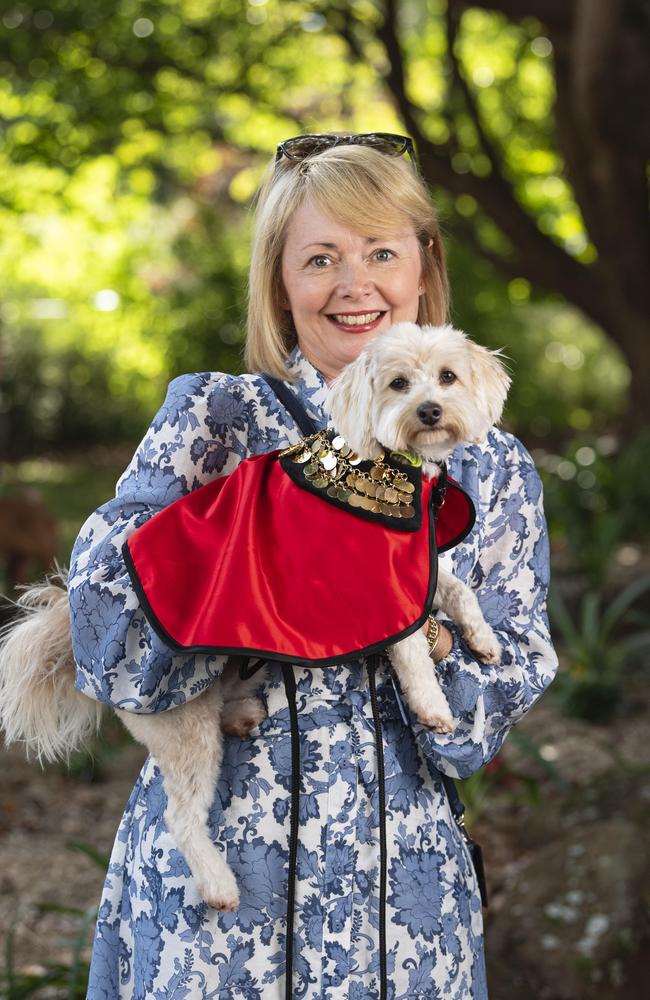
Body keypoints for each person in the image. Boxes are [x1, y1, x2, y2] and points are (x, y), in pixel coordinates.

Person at [68, 132, 558, 999]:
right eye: (320, 258)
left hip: (402, 914)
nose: (354, 284)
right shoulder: (215, 420)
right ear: (279, 281)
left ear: (421, 265)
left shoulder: (492, 464)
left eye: (380, 252)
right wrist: (247, 575)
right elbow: (104, 637)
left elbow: (513, 663)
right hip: (218, 911)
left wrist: (432, 642)